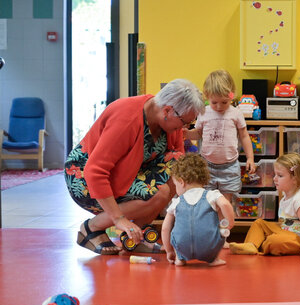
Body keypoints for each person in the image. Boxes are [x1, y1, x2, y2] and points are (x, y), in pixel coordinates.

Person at [65, 78, 205, 255]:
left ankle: (134, 237)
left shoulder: (169, 124)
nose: (185, 128)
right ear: (168, 111)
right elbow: (95, 171)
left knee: (177, 166)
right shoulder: (126, 119)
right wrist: (119, 219)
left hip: (124, 174)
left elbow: (178, 161)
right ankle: (92, 227)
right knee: (159, 192)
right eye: (185, 122)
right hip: (84, 179)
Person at [184, 69, 256, 203]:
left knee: (226, 202)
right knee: (207, 201)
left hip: (230, 166)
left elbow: (244, 136)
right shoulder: (203, 113)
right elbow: (198, 133)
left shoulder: (236, 113)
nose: (219, 107)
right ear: (207, 96)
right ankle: (211, 224)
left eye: (224, 102)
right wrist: (186, 133)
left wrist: (250, 158)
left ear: (231, 95)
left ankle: (225, 224)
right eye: (214, 102)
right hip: (207, 165)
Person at [229, 153, 300, 258]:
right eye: (275, 174)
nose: (274, 179)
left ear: (294, 179)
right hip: (285, 233)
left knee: (274, 241)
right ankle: (251, 245)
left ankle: (262, 244)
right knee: (259, 223)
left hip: (299, 241)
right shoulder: (286, 194)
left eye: (280, 176)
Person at [161, 153, 235, 266]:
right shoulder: (211, 195)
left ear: (181, 182)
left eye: (176, 185)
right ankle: (214, 260)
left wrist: (169, 251)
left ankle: (180, 259)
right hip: (209, 247)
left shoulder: (177, 202)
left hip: (182, 247)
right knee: (220, 231)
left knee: (175, 232)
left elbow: (165, 229)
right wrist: (229, 223)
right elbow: (225, 204)